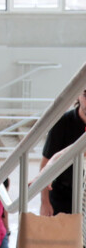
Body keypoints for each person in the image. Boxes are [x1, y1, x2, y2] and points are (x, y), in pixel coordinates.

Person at [40, 86, 86, 216]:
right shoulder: (63, 122)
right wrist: (45, 202)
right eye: (85, 95)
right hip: (62, 194)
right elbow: (47, 161)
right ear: (77, 95)